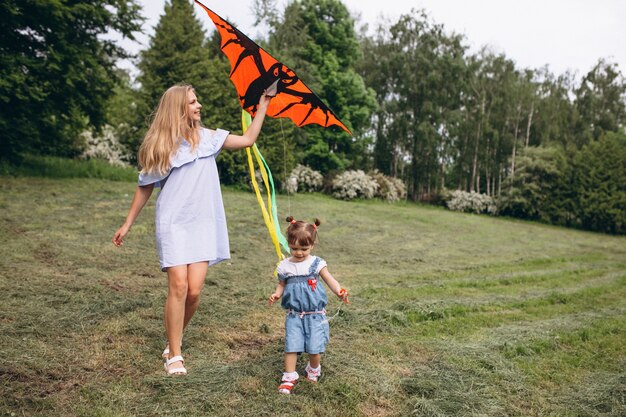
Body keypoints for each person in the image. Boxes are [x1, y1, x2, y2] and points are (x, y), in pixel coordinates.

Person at [113, 84, 272, 375]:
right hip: (173, 221)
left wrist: (263, 104)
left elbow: (248, 140)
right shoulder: (163, 146)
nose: (199, 106)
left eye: (197, 100)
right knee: (179, 287)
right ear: (177, 109)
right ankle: (174, 354)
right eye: (192, 102)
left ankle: (175, 338)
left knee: (195, 291)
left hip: (202, 222)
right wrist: (127, 224)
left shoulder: (209, 138)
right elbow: (144, 187)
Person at [268, 216, 349, 394]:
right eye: (294, 248)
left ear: (312, 245)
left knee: (314, 347)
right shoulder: (284, 266)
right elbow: (282, 284)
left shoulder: (316, 263)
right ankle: (289, 376)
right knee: (292, 345)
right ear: (289, 244)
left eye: (304, 248)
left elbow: (329, 280)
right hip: (294, 314)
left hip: (315, 314)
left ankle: (313, 369)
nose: (298, 253)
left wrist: (339, 291)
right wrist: (277, 294)